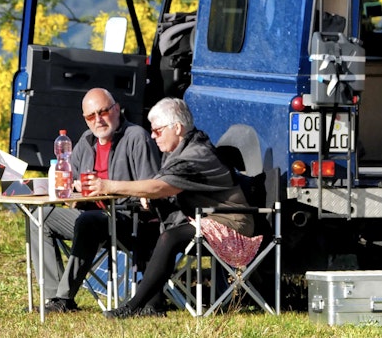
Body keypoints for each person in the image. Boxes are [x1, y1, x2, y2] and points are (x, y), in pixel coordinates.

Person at [88, 97, 259, 319]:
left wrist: (109, 186)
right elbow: (161, 182)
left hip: (232, 224)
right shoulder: (178, 149)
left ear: (176, 128)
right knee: (148, 228)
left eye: (157, 131)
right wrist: (148, 195)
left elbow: (161, 186)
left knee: (170, 237)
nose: (152, 136)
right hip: (201, 219)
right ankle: (153, 305)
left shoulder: (197, 154)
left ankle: (132, 307)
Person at [31, 87, 162, 313]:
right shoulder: (85, 141)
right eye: (91, 116)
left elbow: (151, 190)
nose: (98, 120)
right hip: (90, 215)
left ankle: (64, 298)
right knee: (39, 217)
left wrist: (109, 188)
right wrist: (74, 188)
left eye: (103, 112)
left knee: (89, 221)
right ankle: (53, 296)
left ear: (117, 109)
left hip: (129, 221)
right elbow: (71, 186)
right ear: (85, 119)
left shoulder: (136, 137)